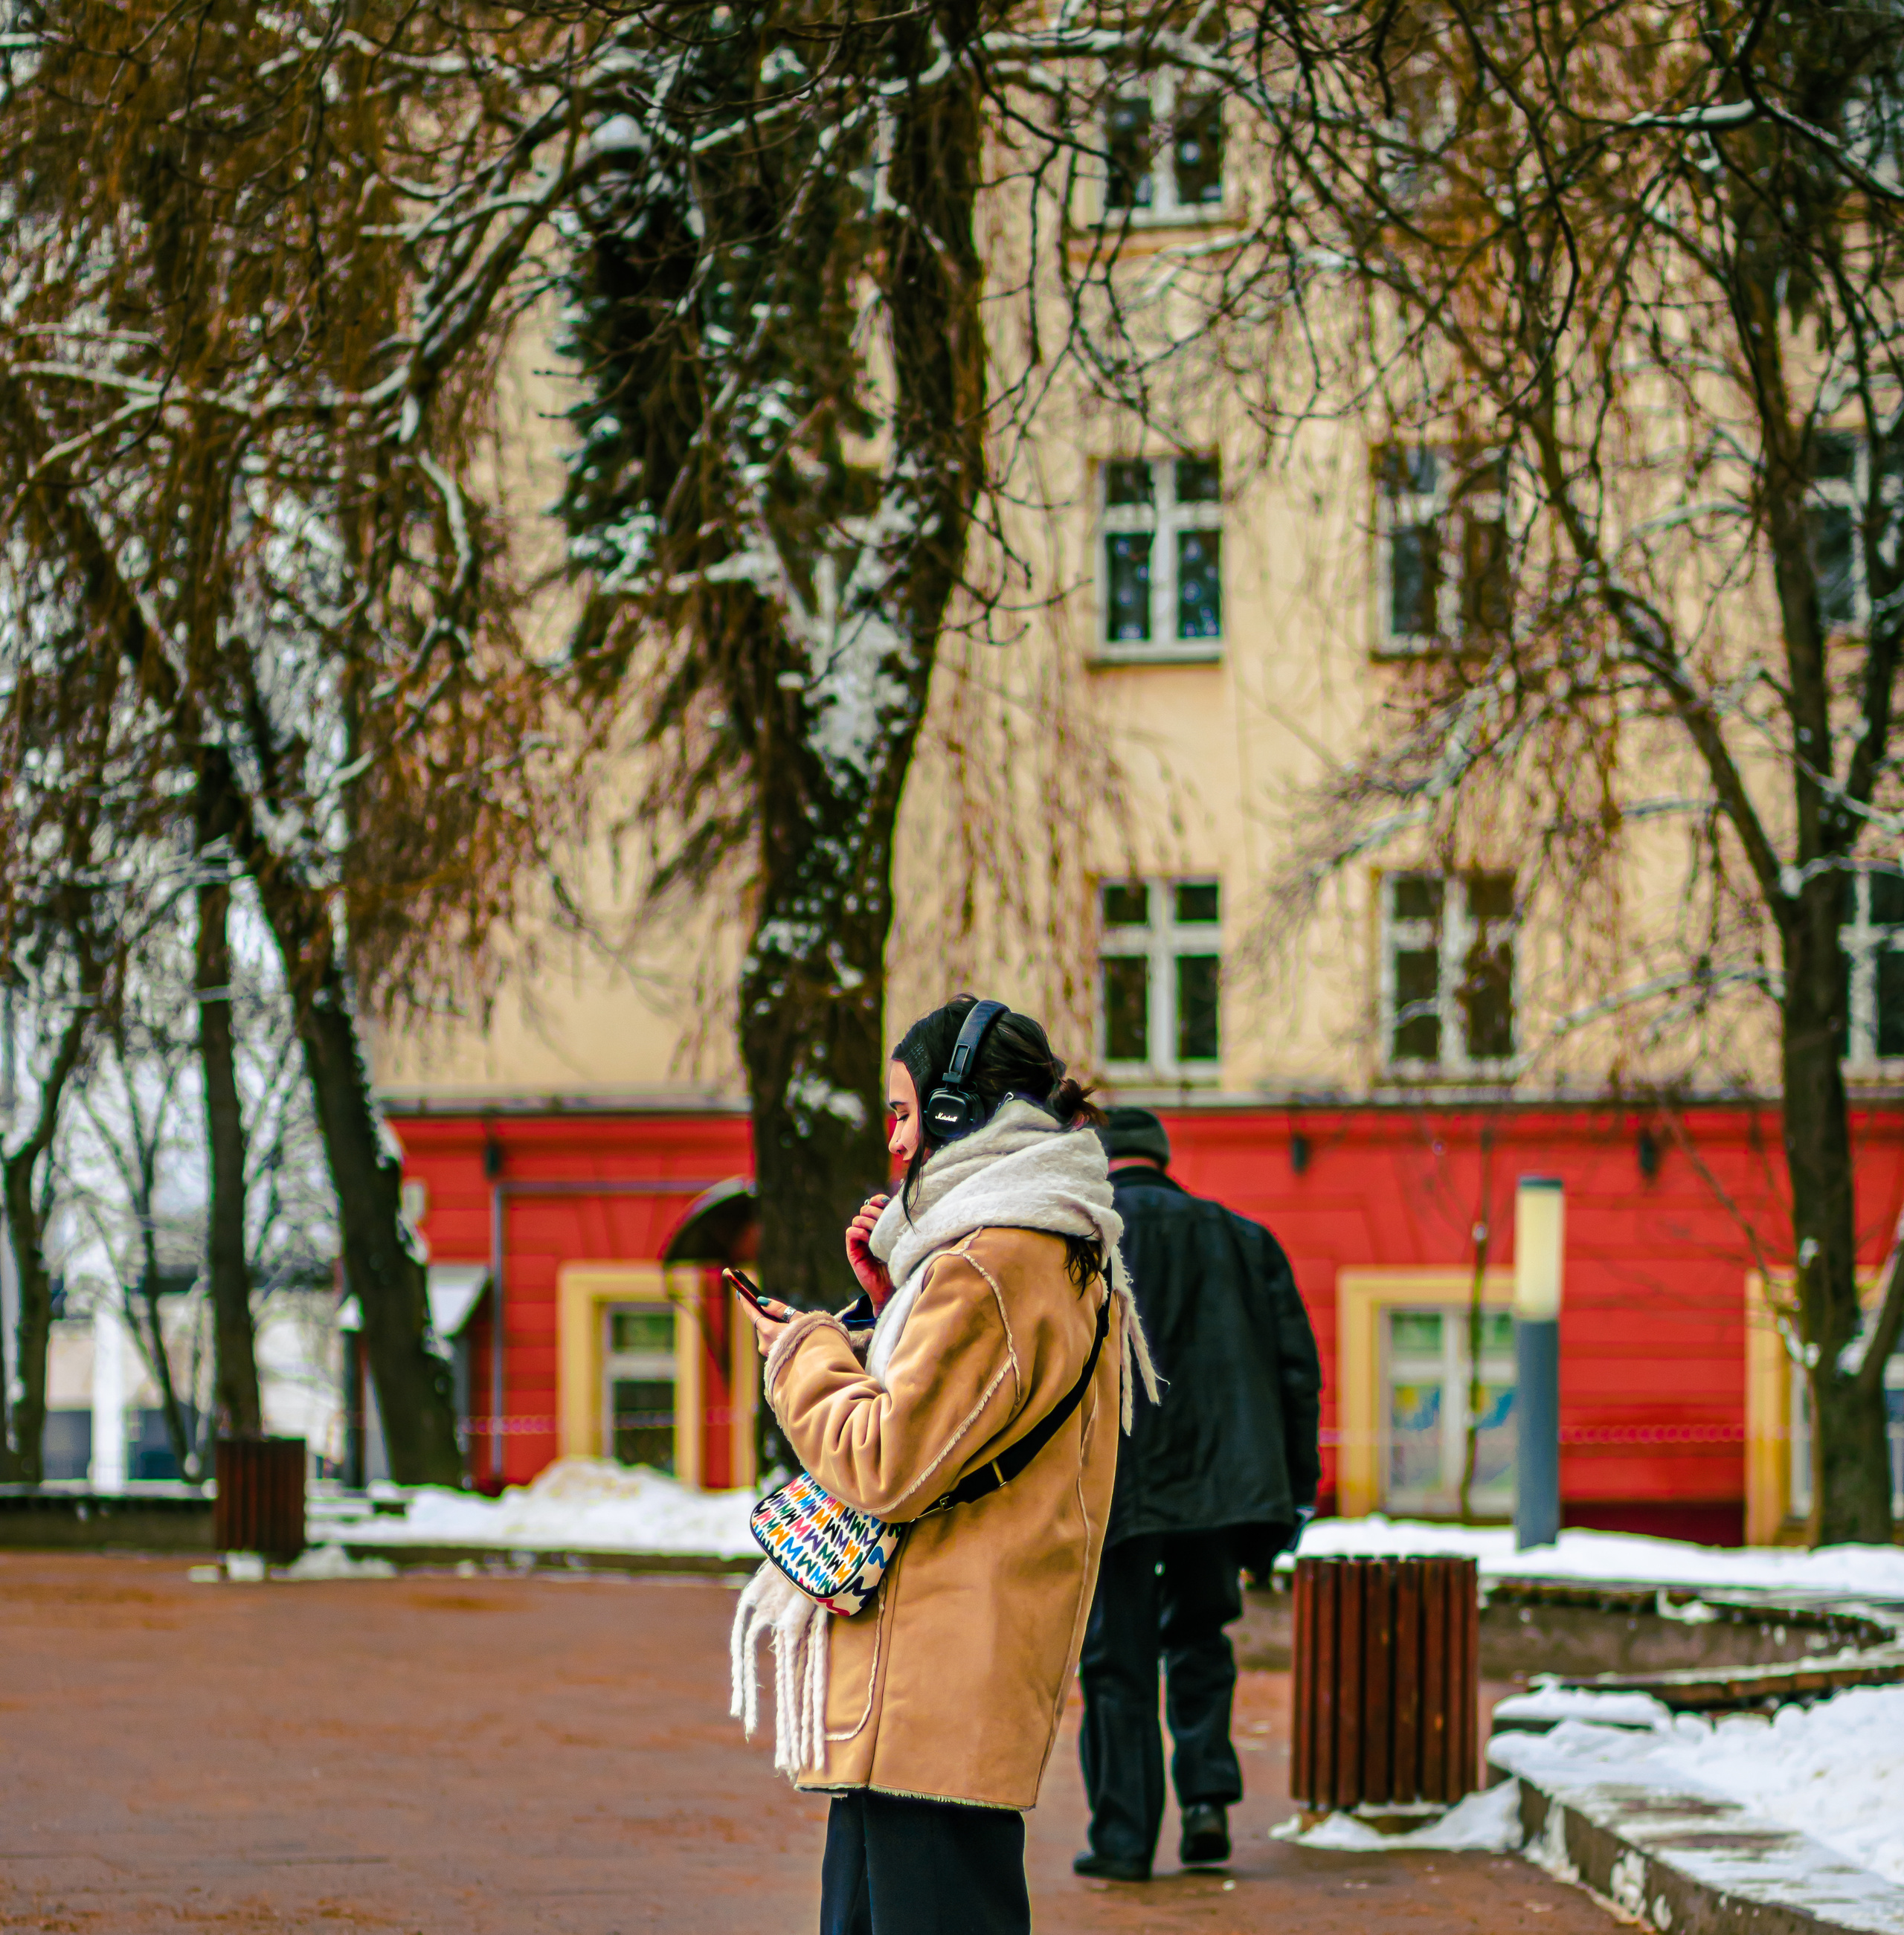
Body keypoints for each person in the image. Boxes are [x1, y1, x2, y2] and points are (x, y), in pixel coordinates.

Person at [733, 997, 1157, 1935]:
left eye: (902, 1109)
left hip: (934, 1690)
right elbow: (965, 1420)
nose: (895, 1142)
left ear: (957, 1109)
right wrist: (885, 1309)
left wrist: (798, 1351)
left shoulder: (990, 1259)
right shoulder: (1043, 1242)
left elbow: (883, 1459)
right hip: (944, 1682)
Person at [1073, 1106, 1322, 1882]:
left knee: (1116, 1659)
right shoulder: (1242, 1238)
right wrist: (1291, 1495)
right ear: (1161, 1159)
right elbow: (1296, 1374)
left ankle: (1121, 1838)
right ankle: (1207, 1802)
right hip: (1220, 1488)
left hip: (1115, 1486)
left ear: (1104, 1162)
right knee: (1201, 1638)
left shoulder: (1078, 1242)